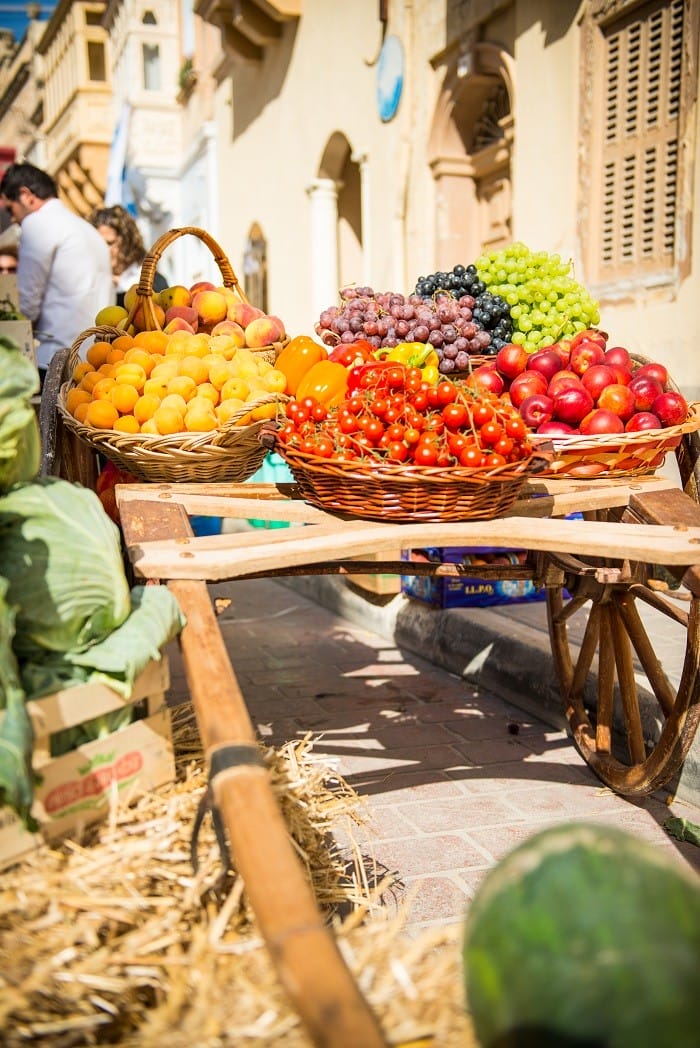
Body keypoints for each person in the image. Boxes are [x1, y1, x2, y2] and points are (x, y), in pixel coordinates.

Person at [0, 162, 113, 383]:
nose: (12, 219)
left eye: (10, 209)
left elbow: (26, 306)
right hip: (95, 360)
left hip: (54, 360)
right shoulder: (87, 229)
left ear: (26, 196)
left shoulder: (37, 224)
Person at [88, 204, 167, 307]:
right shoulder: (91, 284)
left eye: (110, 243)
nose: (103, 249)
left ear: (127, 241)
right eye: (98, 244)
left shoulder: (154, 283)